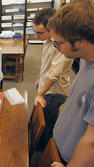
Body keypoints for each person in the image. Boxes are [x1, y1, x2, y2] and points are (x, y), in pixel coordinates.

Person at [47, 1, 94, 167]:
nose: (56, 48)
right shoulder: (86, 60)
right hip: (62, 150)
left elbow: (93, 143)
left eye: (58, 43)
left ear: (80, 41)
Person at [32, 8, 74, 150]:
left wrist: (40, 94)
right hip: (47, 88)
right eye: (35, 32)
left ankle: (44, 150)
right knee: (50, 118)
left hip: (55, 91)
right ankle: (48, 143)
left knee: (45, 122)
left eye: (39, 32)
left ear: (52, 29)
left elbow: (53, 75)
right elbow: (46, 64)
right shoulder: (48, 40)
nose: (36, 36)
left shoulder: (61, 44)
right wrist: (39, 77)